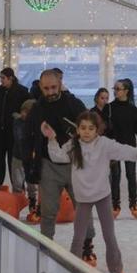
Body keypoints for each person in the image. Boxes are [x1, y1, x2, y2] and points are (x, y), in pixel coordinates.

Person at [43, 112, 137, 273]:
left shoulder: (104, 144)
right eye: (83, 128)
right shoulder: (73, 145)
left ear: (97, 130)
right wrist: (51, 139)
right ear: (78, 129)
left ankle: (116, 269)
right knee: (78, 236)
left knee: (109, 235)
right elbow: (57, 156)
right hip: (83, 198)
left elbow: (123, 149)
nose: (86, 132)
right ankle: (73, 267)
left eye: (91, 128)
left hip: (102, 195)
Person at [25, 70, 95, 259]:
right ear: (40, 87)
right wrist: (31, 162)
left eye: (53, 87)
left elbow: (91, 130)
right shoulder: (37, 108)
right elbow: (28, 135)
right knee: (48, 210)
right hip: (49, 165)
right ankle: (46, 246)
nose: (50, 92)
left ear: (60, 83)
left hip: (75, 165)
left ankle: (87, 247)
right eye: (46, 88)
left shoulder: (74, 104)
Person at [104, 79, 137, 218]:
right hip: (114, 148)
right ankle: (115, 204)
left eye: (118, 89)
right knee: (115, 176)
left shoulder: (132, 109)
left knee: (131, 176)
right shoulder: (109, 108)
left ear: (126, 91)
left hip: (129, 148)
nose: (115, 91)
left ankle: (133, 203)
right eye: (114, 88)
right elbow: (102, 129)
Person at [0, 67, 29, 191]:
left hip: (15, 133)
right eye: (0, 78)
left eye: (3, 78)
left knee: (14, 162)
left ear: (11, 78)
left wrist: (22, 116)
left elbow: (30, 106)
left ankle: (18, 189)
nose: (1, 81)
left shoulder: (22, 91)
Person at [12, 100, 39, 221]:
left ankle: (32, 202)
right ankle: (16, 205)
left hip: (30, 158)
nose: (23, 114)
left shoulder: (36, 125)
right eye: (22, 111)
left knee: (32, 183)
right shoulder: (17, 123)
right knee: (17, 182)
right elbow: (18, 137)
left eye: (26, 112)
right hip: (18, 156)